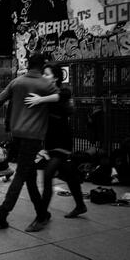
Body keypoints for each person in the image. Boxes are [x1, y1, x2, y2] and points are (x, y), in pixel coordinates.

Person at [0, 53, 58, 232]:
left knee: (29, 177)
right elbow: (65, 104)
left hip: (17, 134)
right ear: (42, 66)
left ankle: (42, 213)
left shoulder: (17, 82)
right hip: (34, 136)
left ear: (28, 65)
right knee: (22, 174)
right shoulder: (46, 84)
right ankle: (2, 212)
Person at [24, 63, 87, 218]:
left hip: (62, 141)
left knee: (48, 175)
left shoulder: (62, 92)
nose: (44, 77)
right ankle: (80, 205)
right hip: (51, 142)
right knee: (69, 174)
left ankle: (42, 215)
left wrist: (40, 100)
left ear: (56, 77)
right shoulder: (44, 93)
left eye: (47, 74)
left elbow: (63, 96)